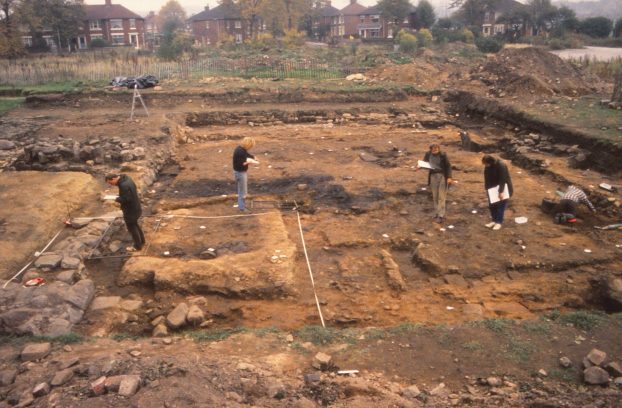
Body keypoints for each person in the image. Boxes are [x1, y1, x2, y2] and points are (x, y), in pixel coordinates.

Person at [105, 174, 145, 252]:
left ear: (114, 178)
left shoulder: (123, 185)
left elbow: (126, 199)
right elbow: (128, 194)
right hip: (136, 206)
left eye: (111, 183)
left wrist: (116, 198)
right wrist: (120, 196)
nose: (111, 185)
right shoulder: (127, 178)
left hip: (130, 210)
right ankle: (142, 241)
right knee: (135, 224)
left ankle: (137, 246)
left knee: (132, 228)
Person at [417, 143, 453, 223]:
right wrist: (420, 166)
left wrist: (449, 177)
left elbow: (448, 166)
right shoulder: (428, 154)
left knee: (441, 196)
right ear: (431, 149)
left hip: (442, 176)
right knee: (435, 196)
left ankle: (441, 215)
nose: (435, 150)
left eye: (437, 148)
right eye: (434, 148)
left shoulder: (443, 155)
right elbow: (425, 163)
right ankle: (437, 213)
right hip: (433, 176)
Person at [482, 155, 513, 231]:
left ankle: (499, 222)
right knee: (492, 205)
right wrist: (487, 189)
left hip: (503, 188)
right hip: (492, 189)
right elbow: (486, 177)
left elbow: (503, 179)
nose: (485, 165)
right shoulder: (488, 166)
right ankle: (494, 220)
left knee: (500, 205)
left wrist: (501, 191)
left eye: (486, 164)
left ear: (491, 162)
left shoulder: (501, 165)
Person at [232, 137, 259, 212]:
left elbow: (246, 154)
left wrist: (253, 157)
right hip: (240, 173)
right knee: (243, 191)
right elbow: (241, 164)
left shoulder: (240, 149)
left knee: (241, 189)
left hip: (239, 172)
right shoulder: (240, 152)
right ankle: (242, 208)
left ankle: (241, 204)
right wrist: (250, 162)